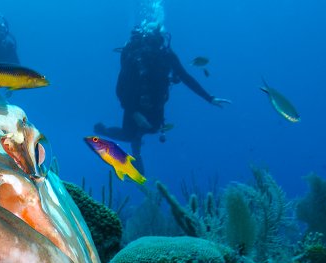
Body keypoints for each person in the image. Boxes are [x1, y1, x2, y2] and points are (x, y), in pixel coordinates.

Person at [94, 25, 230, 172]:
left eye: (157, 42)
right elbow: (121, 88)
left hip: (156, 102)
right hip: (132, 102)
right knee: (129, 134)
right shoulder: (135, 57)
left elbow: (185, 77)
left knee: (152, 129)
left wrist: (209, 98)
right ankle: (105, 132)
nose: (153, 48)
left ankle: (136, 144)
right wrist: (133, 112)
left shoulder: (166, 55)